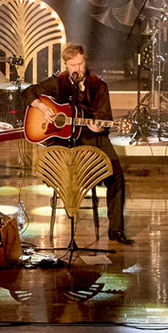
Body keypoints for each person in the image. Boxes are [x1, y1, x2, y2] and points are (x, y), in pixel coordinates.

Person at [26, 42, 129, 243]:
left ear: (85, 61)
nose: (78, 69)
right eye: (73, 65)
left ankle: (116, 230)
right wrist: (41, 107)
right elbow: (28, 92)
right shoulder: (58, 82)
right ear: (66, 64)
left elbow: (105, 117)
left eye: (81, 64)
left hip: (92, 138)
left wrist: (99, 127)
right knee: (61, 169)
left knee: (116, 176)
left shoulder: (99, 84)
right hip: (63, 141)